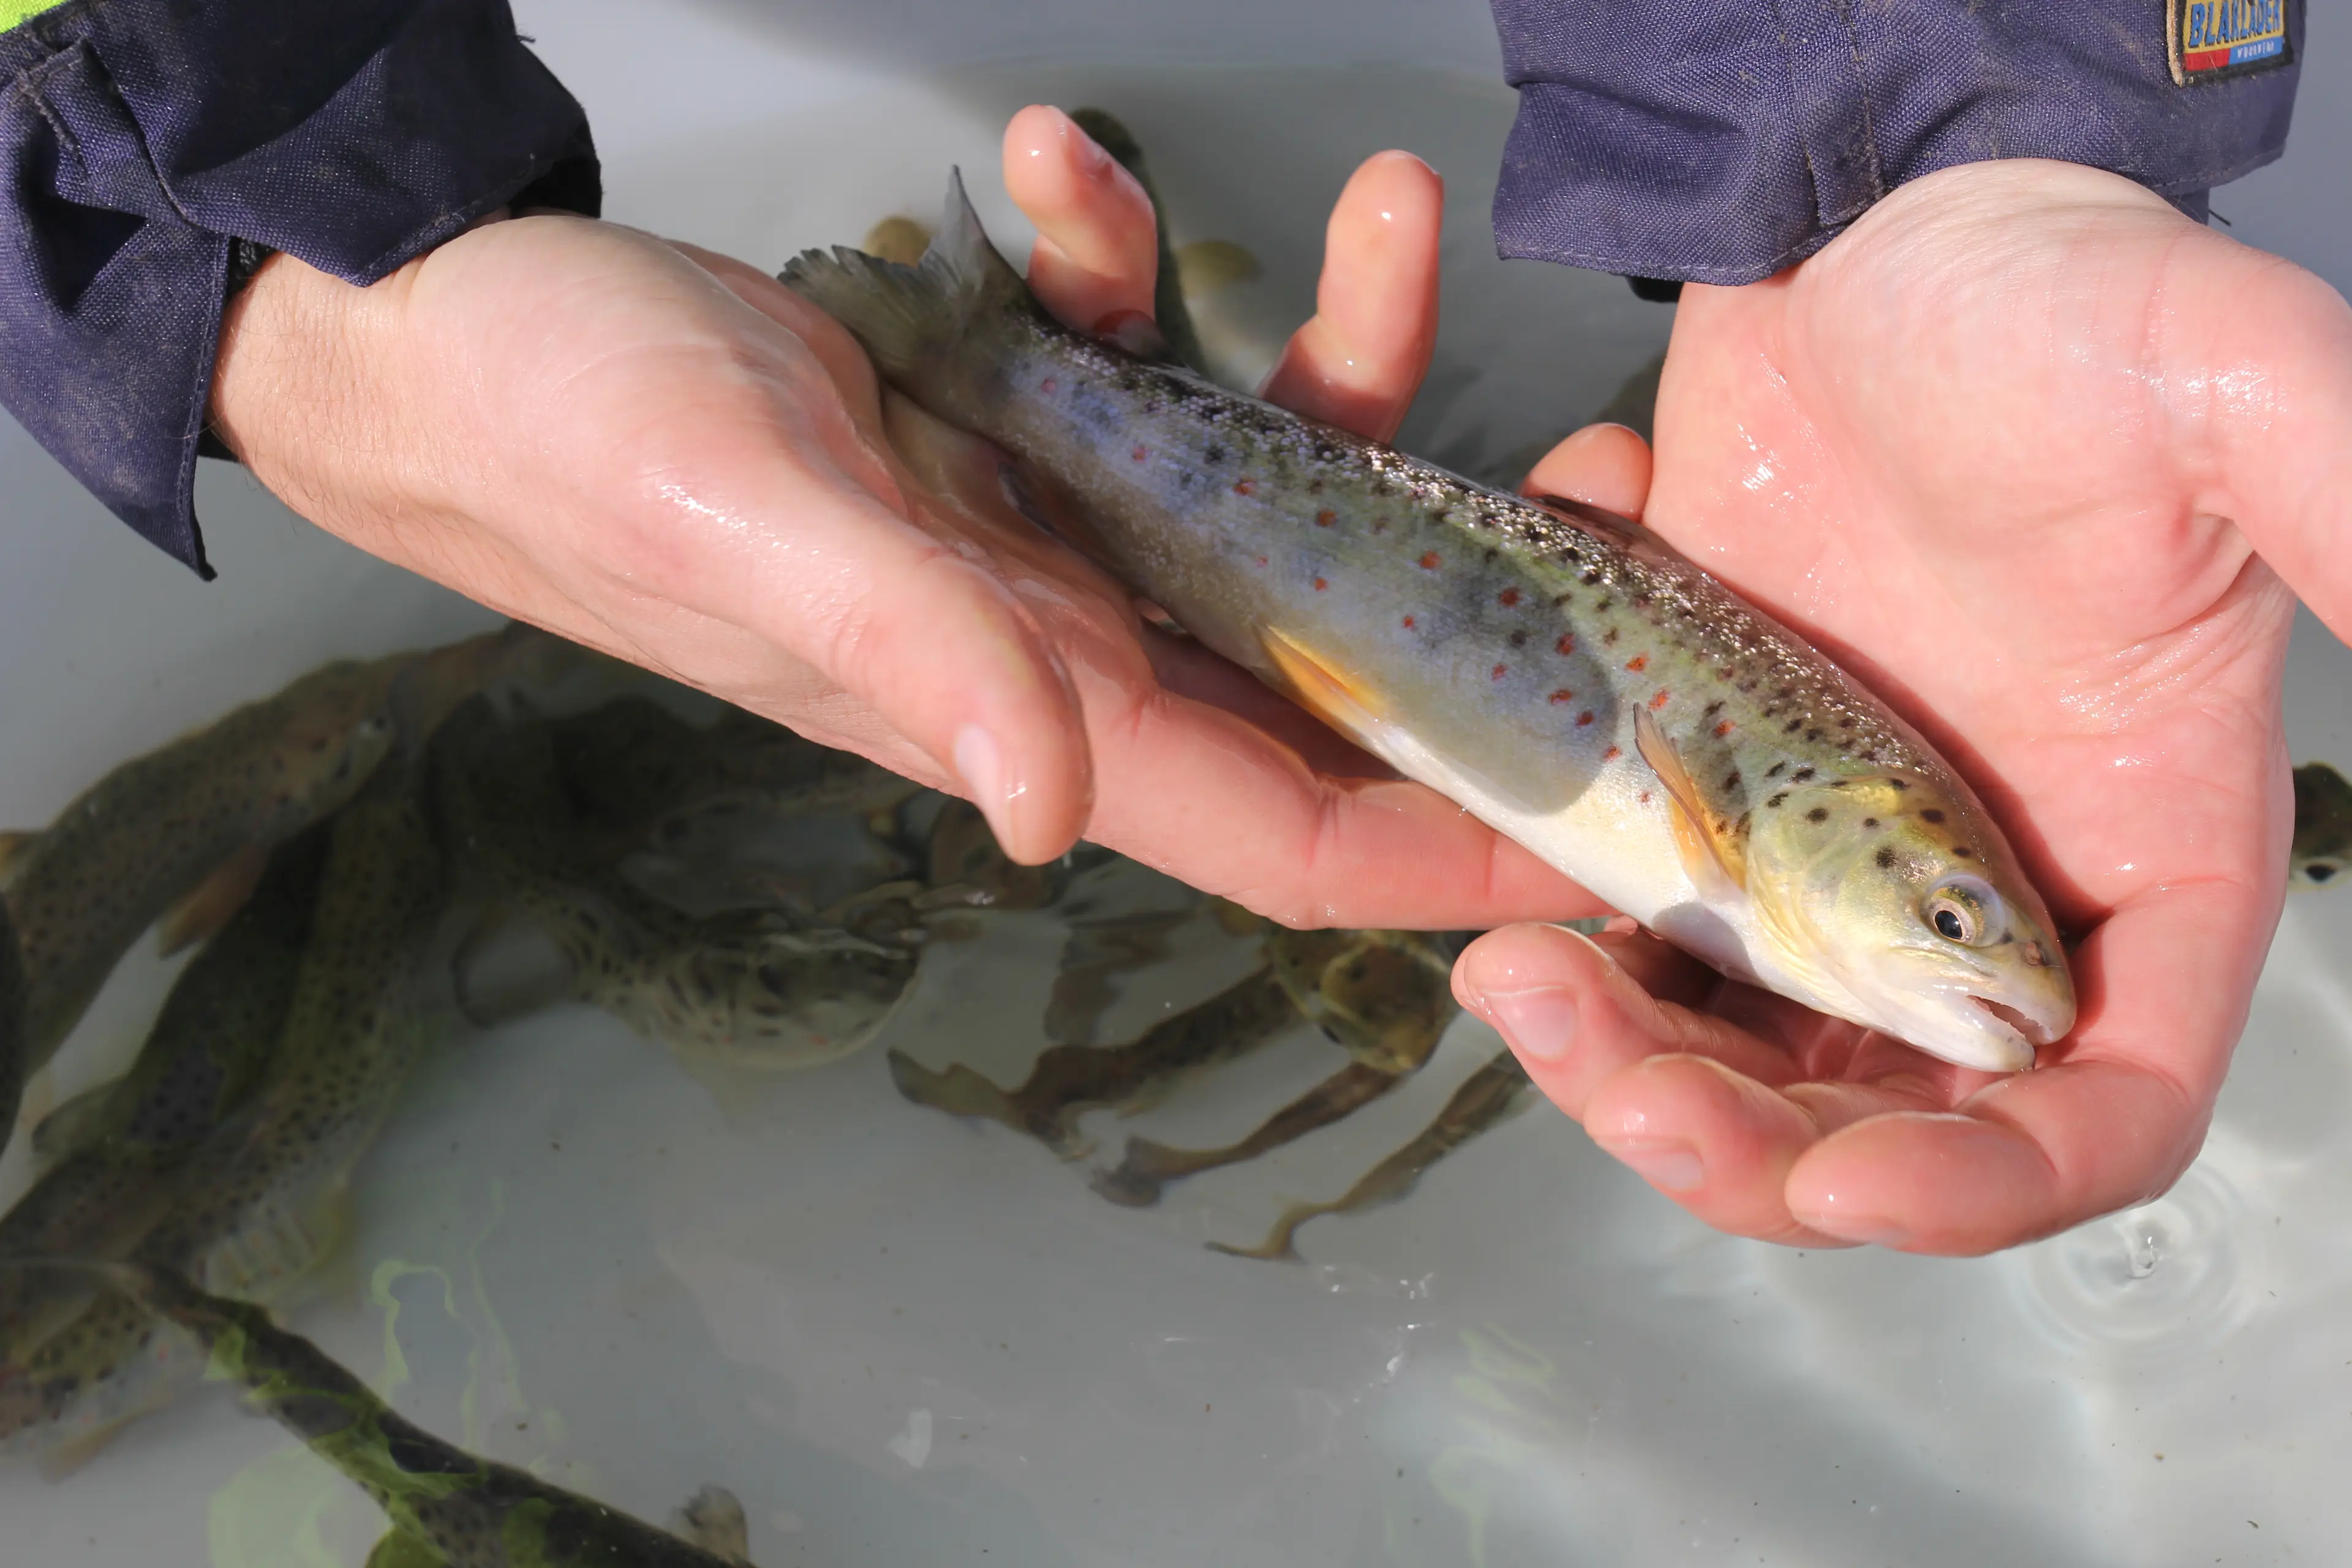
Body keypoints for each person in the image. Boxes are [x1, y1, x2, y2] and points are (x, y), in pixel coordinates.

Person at [2, 1, 2345, 1257]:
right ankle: (979, 352)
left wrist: (1955, 111)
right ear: (1805, 827)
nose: (1985, 957)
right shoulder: (1756, 819)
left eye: (1963, 920)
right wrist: (279, 286)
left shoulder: (1785, 824)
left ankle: (983, 356)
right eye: (1953, 905)